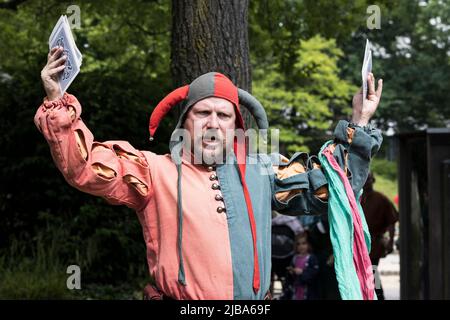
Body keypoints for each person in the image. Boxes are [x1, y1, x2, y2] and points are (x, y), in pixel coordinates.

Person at [34, 45, 383, 300]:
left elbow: (330, 187)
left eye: (224, 115)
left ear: (236, 127)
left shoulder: (262, 171)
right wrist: (56, 99)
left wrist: (360, 121)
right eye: (203, 113)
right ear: (186, 121)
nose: (213, 123)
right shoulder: (153, 171)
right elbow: (84, 167)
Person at [361, 172, 399, 300]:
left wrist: (390, 242)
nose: (367, 182)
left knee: (371, 270)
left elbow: (392, 221)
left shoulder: (381, 199)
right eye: (364, 179)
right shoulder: (356, 198)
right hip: (359, 243)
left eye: (369, 179)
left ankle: (379, 295)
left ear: (373, 180)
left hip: (374, 244)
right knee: (363, 273)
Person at [286, 232, 319, 300]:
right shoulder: (294, 258)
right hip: (296, 290)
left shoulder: (312, 258)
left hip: (308, 291)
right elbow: (290, 278)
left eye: (304, 243)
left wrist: (302, 272)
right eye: (298, 244)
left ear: (309, 244)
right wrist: (291, 272)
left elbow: (314, 273)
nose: (301, 246)